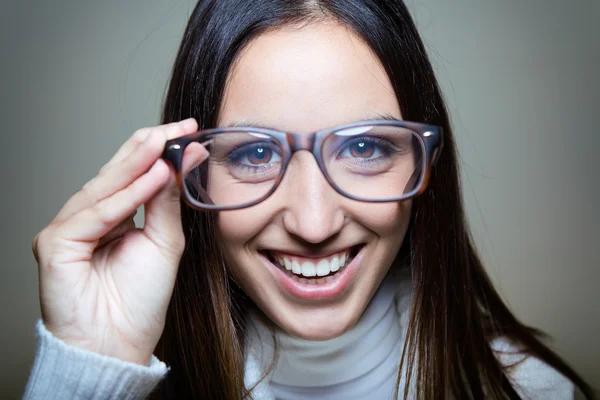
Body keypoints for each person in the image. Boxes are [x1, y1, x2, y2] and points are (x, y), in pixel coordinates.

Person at [23, 1, 595, 399]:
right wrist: (89, 370)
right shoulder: (115, 384)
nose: (314, 222)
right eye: (253, 154)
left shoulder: (532, 392)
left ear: (425, 166)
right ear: (186, 176)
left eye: (366, 146)